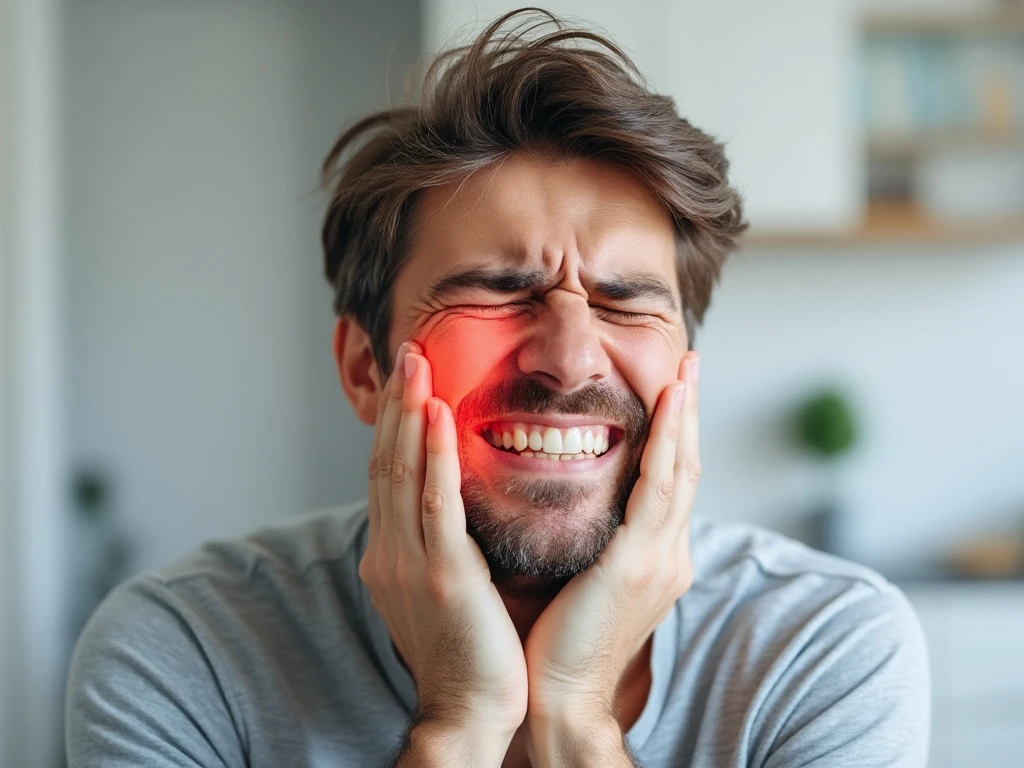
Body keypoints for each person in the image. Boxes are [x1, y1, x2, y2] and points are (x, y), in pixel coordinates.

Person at [66, 9, 930, 767]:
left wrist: (581, 722)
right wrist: (459, 728)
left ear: (685, 374)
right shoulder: (181, 654)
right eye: (495, 289)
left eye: (626, 301)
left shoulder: (824, 648)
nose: (571, 357)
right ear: (365, 369)